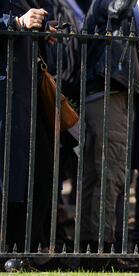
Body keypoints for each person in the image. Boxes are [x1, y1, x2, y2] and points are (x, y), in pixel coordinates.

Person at [80, 0, 139, 252]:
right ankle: (100, 248)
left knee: (95, 176)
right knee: (110, 173)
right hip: (109, 90)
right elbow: (117, 8)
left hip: (102, 89)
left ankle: (86, 244)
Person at [0, 0, 55, 253]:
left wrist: (45, 32)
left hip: (26, 94)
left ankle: (20, 248)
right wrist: (17, 22)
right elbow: (13, 23)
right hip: (5, 92)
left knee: (40, 170)